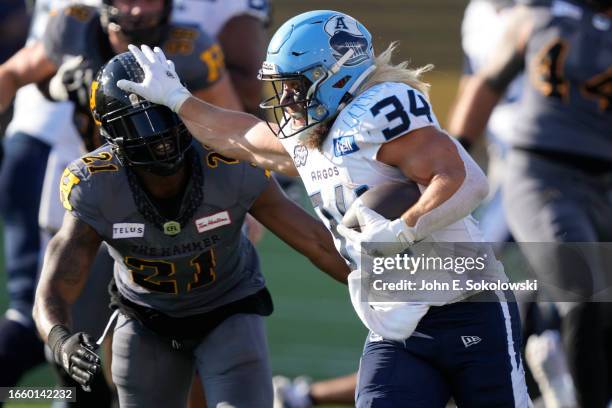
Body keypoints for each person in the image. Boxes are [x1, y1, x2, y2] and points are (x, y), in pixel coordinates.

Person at [118, 10, 531, 407]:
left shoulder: (379, 110)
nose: (287, 99)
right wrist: (175, 97)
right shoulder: (315, 135)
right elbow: (242, 135)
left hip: (469, 306)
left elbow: (467, 181)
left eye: (295, 86)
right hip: (394, 327)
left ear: (333, 75)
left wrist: (404, 228)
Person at [33, 51, 349, 408]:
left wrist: (389, 288)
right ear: (112, 135)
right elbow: (56, 284)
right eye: (140, 125)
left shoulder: (229, 162)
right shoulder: (95, 185)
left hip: (227, 310)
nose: (161, 139)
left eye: (164, 117)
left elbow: (317, 243)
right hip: (145, 320)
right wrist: (60, 339)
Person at [0, 0, 239, 397]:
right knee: (75, 356)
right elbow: (12, 73)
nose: (138, 9)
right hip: (100, 200)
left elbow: (232, 129)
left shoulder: (191, 47)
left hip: (177, 209)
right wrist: (57, 84)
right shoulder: (72, 28)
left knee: (187, 346)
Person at [446, 0, 612, 407]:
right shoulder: (535, 15)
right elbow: (486, 84)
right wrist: (452, 159)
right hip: (542, 175)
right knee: (582, 290)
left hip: (604, 184)